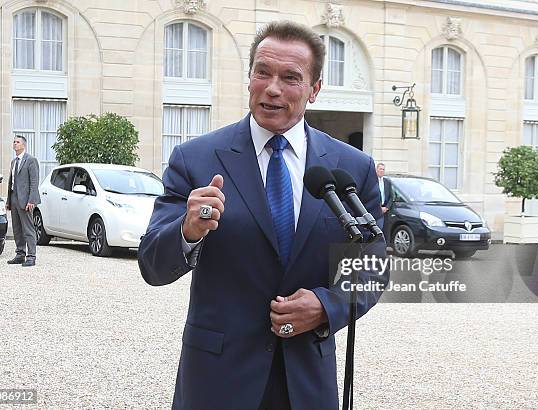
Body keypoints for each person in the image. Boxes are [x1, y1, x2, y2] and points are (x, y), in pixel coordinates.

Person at [139, 21, 387, 410]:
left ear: (315, 89)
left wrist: (326, 306)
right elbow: (152, 265)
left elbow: (372, 267)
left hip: (306, 382)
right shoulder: (197, 159)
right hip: (217, 382)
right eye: (263, 72)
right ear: (249, 77)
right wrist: (187, 230)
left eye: (290, 77)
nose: (272, 88)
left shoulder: (350, 168)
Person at [6, 135, 40, 267]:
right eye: (14, 142)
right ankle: (20, 253)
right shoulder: (14, 162)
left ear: (23, 145)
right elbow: (11, 182)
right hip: (14, 198)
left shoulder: (31, 160)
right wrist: (9, 200)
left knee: (28, 228)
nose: (14, 144)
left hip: (26, 200)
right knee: (17, 228)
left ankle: (31, 256)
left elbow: (34, 182)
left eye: (17, 142)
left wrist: (31, 200)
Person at [375, 162, 392, 236]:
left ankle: (385, 245)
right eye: (380, 169)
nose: (382, 171)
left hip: (385, 209)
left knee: (385, 229)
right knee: (377, 227)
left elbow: (391, 196)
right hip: (376, 208)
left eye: (383, 169)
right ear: (376, 170)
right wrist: (378, 207)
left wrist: (387, 207)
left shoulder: (387, 182)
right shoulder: (373, 181)